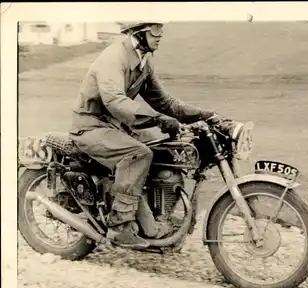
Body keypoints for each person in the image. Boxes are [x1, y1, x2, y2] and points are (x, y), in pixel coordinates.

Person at [69, 22, 223, 249]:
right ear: (138, 32)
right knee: (139, 154)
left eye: (161, 30)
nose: (160, 36)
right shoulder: (114, 57)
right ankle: (120, 226)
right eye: (155, 30)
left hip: (113, 127)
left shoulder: (143, 62)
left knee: (164, 148)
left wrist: (204, 115)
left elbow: (165, 102)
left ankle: (155, 224)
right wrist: (158, 119)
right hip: (90, 127)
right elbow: (115, 101)